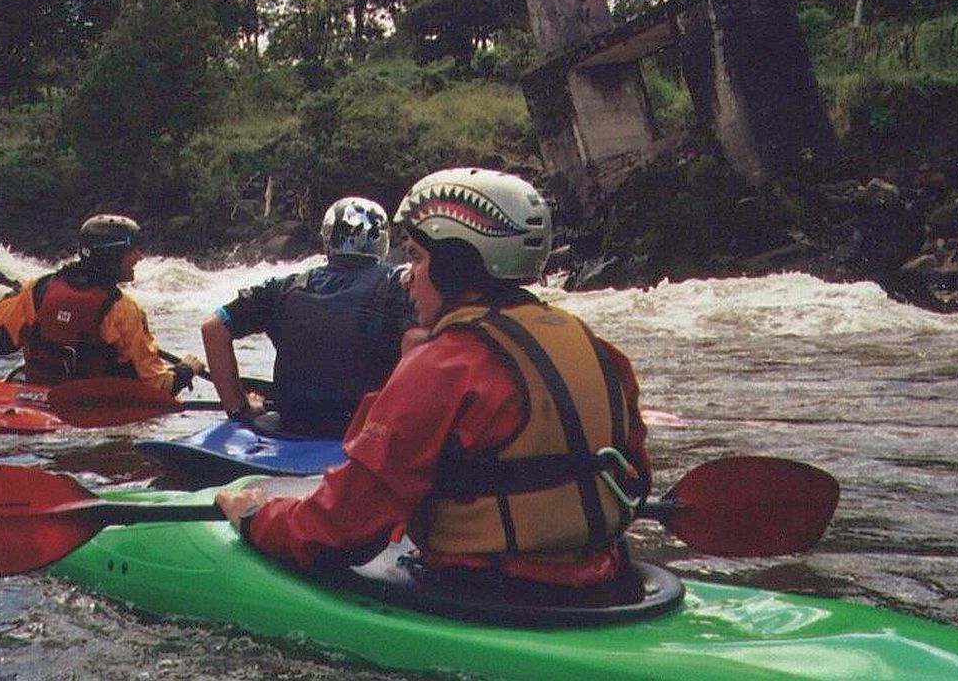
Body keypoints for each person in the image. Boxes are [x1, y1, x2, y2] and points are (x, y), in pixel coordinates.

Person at [216, 168, 651, 588]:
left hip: (488, 584)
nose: (406, 278)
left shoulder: (443, 365)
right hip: (601, 573)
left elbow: (339, 527)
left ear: (455, 267)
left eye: (417, 258)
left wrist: (256, 518)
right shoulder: (593, 345)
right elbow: (636, 479)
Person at [199, 196, 416, 438]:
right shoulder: (402, 284)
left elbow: (213, 328)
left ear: (327, 238)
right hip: (361, 430)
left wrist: (240, 410)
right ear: (382, 242)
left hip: (292, 424)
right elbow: (416, 343)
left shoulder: (285, 286)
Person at [0, 214, 202, 390]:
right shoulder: (122, 308)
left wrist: (13, 296)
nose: (139, 257)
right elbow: (155, 384)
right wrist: (185, 371)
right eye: (132, 251)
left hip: (39, 391)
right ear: (111, 258)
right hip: (89, 403)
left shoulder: (38, 288)